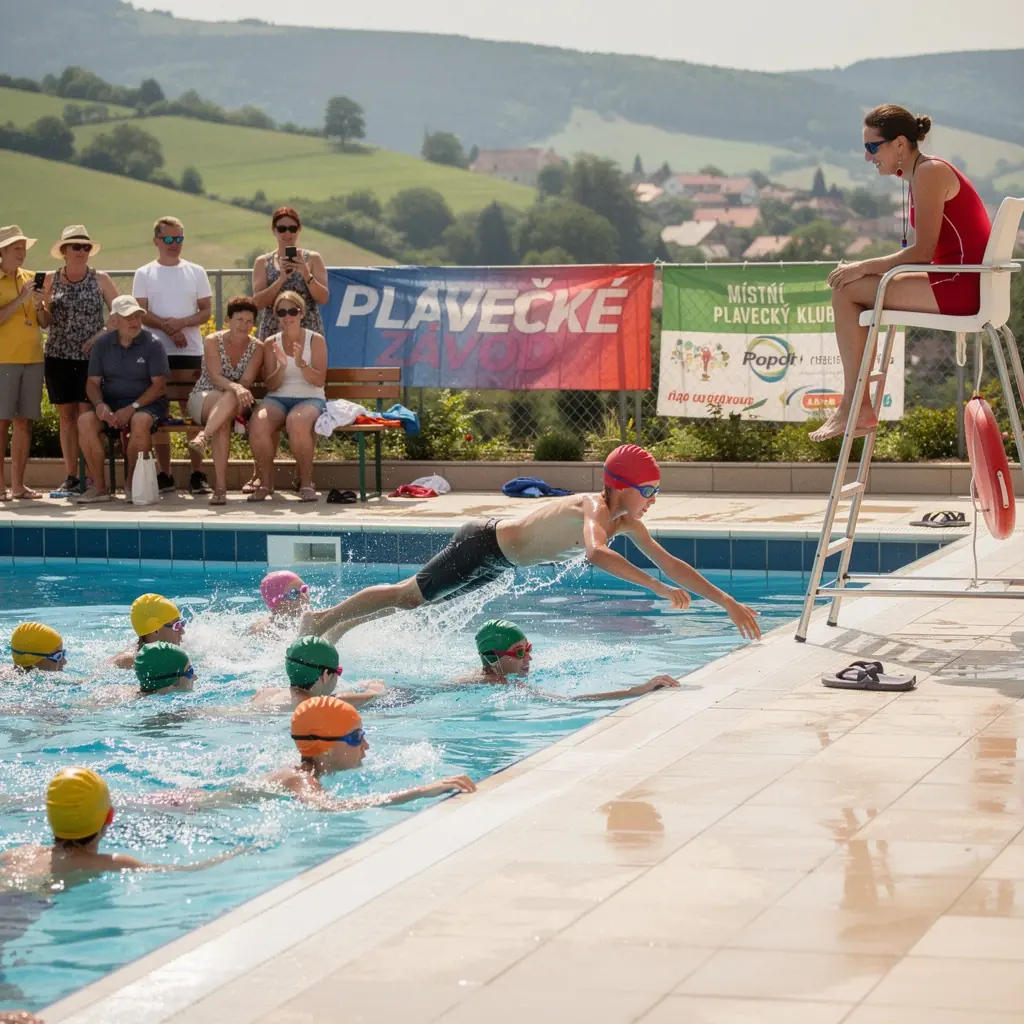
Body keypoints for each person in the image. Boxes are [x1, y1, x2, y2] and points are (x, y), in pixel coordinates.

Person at [302, 445, 762, 641]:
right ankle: (320, 619)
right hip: (482, 544)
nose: (654, 501)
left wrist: (727, 602)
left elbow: (673, 563)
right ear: (621, 486)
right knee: (408, 594)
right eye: (649, 492)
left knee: (413, 601)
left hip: (500, 562)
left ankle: (341, 627)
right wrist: (657, 590)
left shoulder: (626, 521)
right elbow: (595, 553)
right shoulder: (595, 510)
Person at [810, 105, 992, 442]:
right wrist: (863, 270)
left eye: (872, 147)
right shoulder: (920, 174)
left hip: (962, 285)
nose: (868, 158)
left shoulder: (930, 172)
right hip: (959, 280)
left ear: (899, 143)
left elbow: (922, 253)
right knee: (850, 287)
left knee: (846, 289)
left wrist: (862, 267)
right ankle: (856, 404)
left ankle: (854, 406)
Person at [0, 767, 239, 891]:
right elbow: (179, 871)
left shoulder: (18, 854)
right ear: (109, 816)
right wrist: (236, 854)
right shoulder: (113, 863)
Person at [245, 206, 328, 496]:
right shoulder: (263, 262)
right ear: (274, 231)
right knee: (270, 401)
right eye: (282, 228)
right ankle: (261, 474)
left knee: (301, 408)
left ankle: (303, 476)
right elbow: (257, 301)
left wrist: (305, 274)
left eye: (293, 228)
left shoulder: (313, 259)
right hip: (273, 332)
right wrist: (280, 278)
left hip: (308, 332)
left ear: (299, 230)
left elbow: (323, 297)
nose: (288, 233)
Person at [132, 216, 213, 495]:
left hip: (191, 352)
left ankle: (197, 473)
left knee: (192, 414)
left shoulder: (196, 271)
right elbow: (141, 312)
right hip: (155, 352)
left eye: (179, 239)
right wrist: (169, 326)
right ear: (156, 240)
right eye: (168, 239)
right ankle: (164, 473)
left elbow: (206, 311)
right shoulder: (143, 273)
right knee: (160, 415)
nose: (174, 244)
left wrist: (181, 324)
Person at [37, 225, 119, 494]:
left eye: (86, 247)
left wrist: (100, 336)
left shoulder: (101, 278)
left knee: (87, 416)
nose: (82, 251)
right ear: (64, 251)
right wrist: (40, 306)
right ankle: (72, 475)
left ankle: (92, 476)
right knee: (66, 418)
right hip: (58, 356)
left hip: (92, 360)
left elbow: (120, 314)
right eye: (76, 246)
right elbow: (44, 321)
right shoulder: (50, 280)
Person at [76, 295, 168, 503]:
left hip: (147, 405)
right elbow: (92, 383)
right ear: (114, 320)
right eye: (129, 317)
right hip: (111, 404)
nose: (135, 322)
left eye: (137, 316)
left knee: (140, 421)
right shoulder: (101, 345)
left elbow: (159, 386)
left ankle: (131, 486)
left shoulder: (153, 344)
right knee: (84, 421)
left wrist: (132, 408)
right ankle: (100, 488)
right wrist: (100, 406)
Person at [452, 619, 681, 700]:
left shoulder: (493, 675)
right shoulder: (500, 683)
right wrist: (635, 690)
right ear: (493, 658)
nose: (529, 657)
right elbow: (568, 701)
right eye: (519, 652)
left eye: (528, 648)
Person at [247, 291, 327, 503]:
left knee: (296, 421)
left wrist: (301, 362)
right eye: (281, 312)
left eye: (292, 310)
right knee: (258, 423)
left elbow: (319, 381)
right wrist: (282, 367)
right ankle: (265, 483)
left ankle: (306, 482)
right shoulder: (271, 343)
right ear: (276, 317)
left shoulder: (315, 340)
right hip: (278, 397)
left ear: (301, 313)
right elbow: (271, 385)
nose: (287, 316)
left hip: (310, 397)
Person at [185, 294, 263, 505]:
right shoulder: (212, 340)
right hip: (205, 396)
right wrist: (236, 387)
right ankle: (220, 488)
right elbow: (215, 376)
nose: (244, 325)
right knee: (223, 418)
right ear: (228, 320)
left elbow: (246, 381)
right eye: (239, 319)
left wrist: (237, 389)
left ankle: (203, 437)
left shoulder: (257, 347)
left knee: (227, 406)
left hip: (240, 401)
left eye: (249, 321)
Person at [0, 225, 45, 501]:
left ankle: (18, 486)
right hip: (4, 360)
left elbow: (43, 322)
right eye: (16, 248)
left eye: (23, 248)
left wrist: (40, 305)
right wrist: (21, 299)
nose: (22, 253)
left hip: (33, 358)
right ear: (2, 251)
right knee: (1, 424)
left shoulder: (31, 279)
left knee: (24, 423)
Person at [251, 634, 385, 711]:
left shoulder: (267, 693)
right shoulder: (322, 704)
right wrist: (375, 685)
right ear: (326, 675)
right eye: (337, 671)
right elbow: (374, 695)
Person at [111, 594, 185, 669]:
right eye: (177, 626)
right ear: (155, 630)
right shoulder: (129, 660)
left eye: (182, 624)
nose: (182, 631)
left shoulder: (175, 651)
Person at [248, 570, 310, 634]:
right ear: (276, 602)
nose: (303, 597)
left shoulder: (314, 619)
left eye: (304, 589)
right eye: (294, 593)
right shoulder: (264, 630)